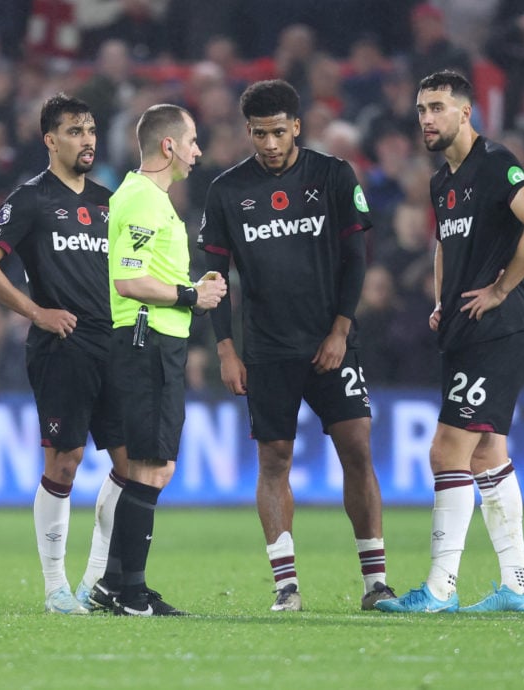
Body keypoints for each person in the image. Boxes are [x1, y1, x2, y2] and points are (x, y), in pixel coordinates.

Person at [198, 79, 395, 612]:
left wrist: (340, 329)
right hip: (265, 349)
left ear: (297, 127)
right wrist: (225, 349)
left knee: (356, 449)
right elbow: (212, 277)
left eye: (278, 132)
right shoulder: (227, 190)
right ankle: (286, 585)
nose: (268, 143)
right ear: (248, 131)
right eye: (259, 134)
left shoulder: (332, 175)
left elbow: (357, 259)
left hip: (329, 345)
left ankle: (375, 582)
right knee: (274, 460)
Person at [376, 70, 524, 615]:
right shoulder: (443, 181)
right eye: (420, 110)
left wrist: (502, 288)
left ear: (465, 112)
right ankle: (517, 587)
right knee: (487, 455)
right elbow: (442, 243)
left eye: (436, 107)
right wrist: (440, 299)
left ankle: (439, 588)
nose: (426, 119)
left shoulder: (496, 163)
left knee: (445, 451)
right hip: (466, 327)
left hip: (496, 329)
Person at [0, 93, 128, 615]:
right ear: (50, 140)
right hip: (62, 346)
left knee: (132, 465)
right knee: (66, 461)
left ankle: (96, 582)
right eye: (75, 131)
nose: (87, 140)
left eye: (92, 130)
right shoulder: (31, 198)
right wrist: (35, 312)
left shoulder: (111, 200)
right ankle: (56, 588)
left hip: (114, 343)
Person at [94, 103, 226, 617]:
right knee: (152, 467)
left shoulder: (149, 199)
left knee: (154, 466)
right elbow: (130, 281)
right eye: (192, 140)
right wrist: (192, 296)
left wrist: (194, 289)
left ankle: (115, 583)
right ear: (168, 146)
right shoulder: (143, 201)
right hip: (147, 341)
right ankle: (129, 591)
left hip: (157, 340)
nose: (198, 150)